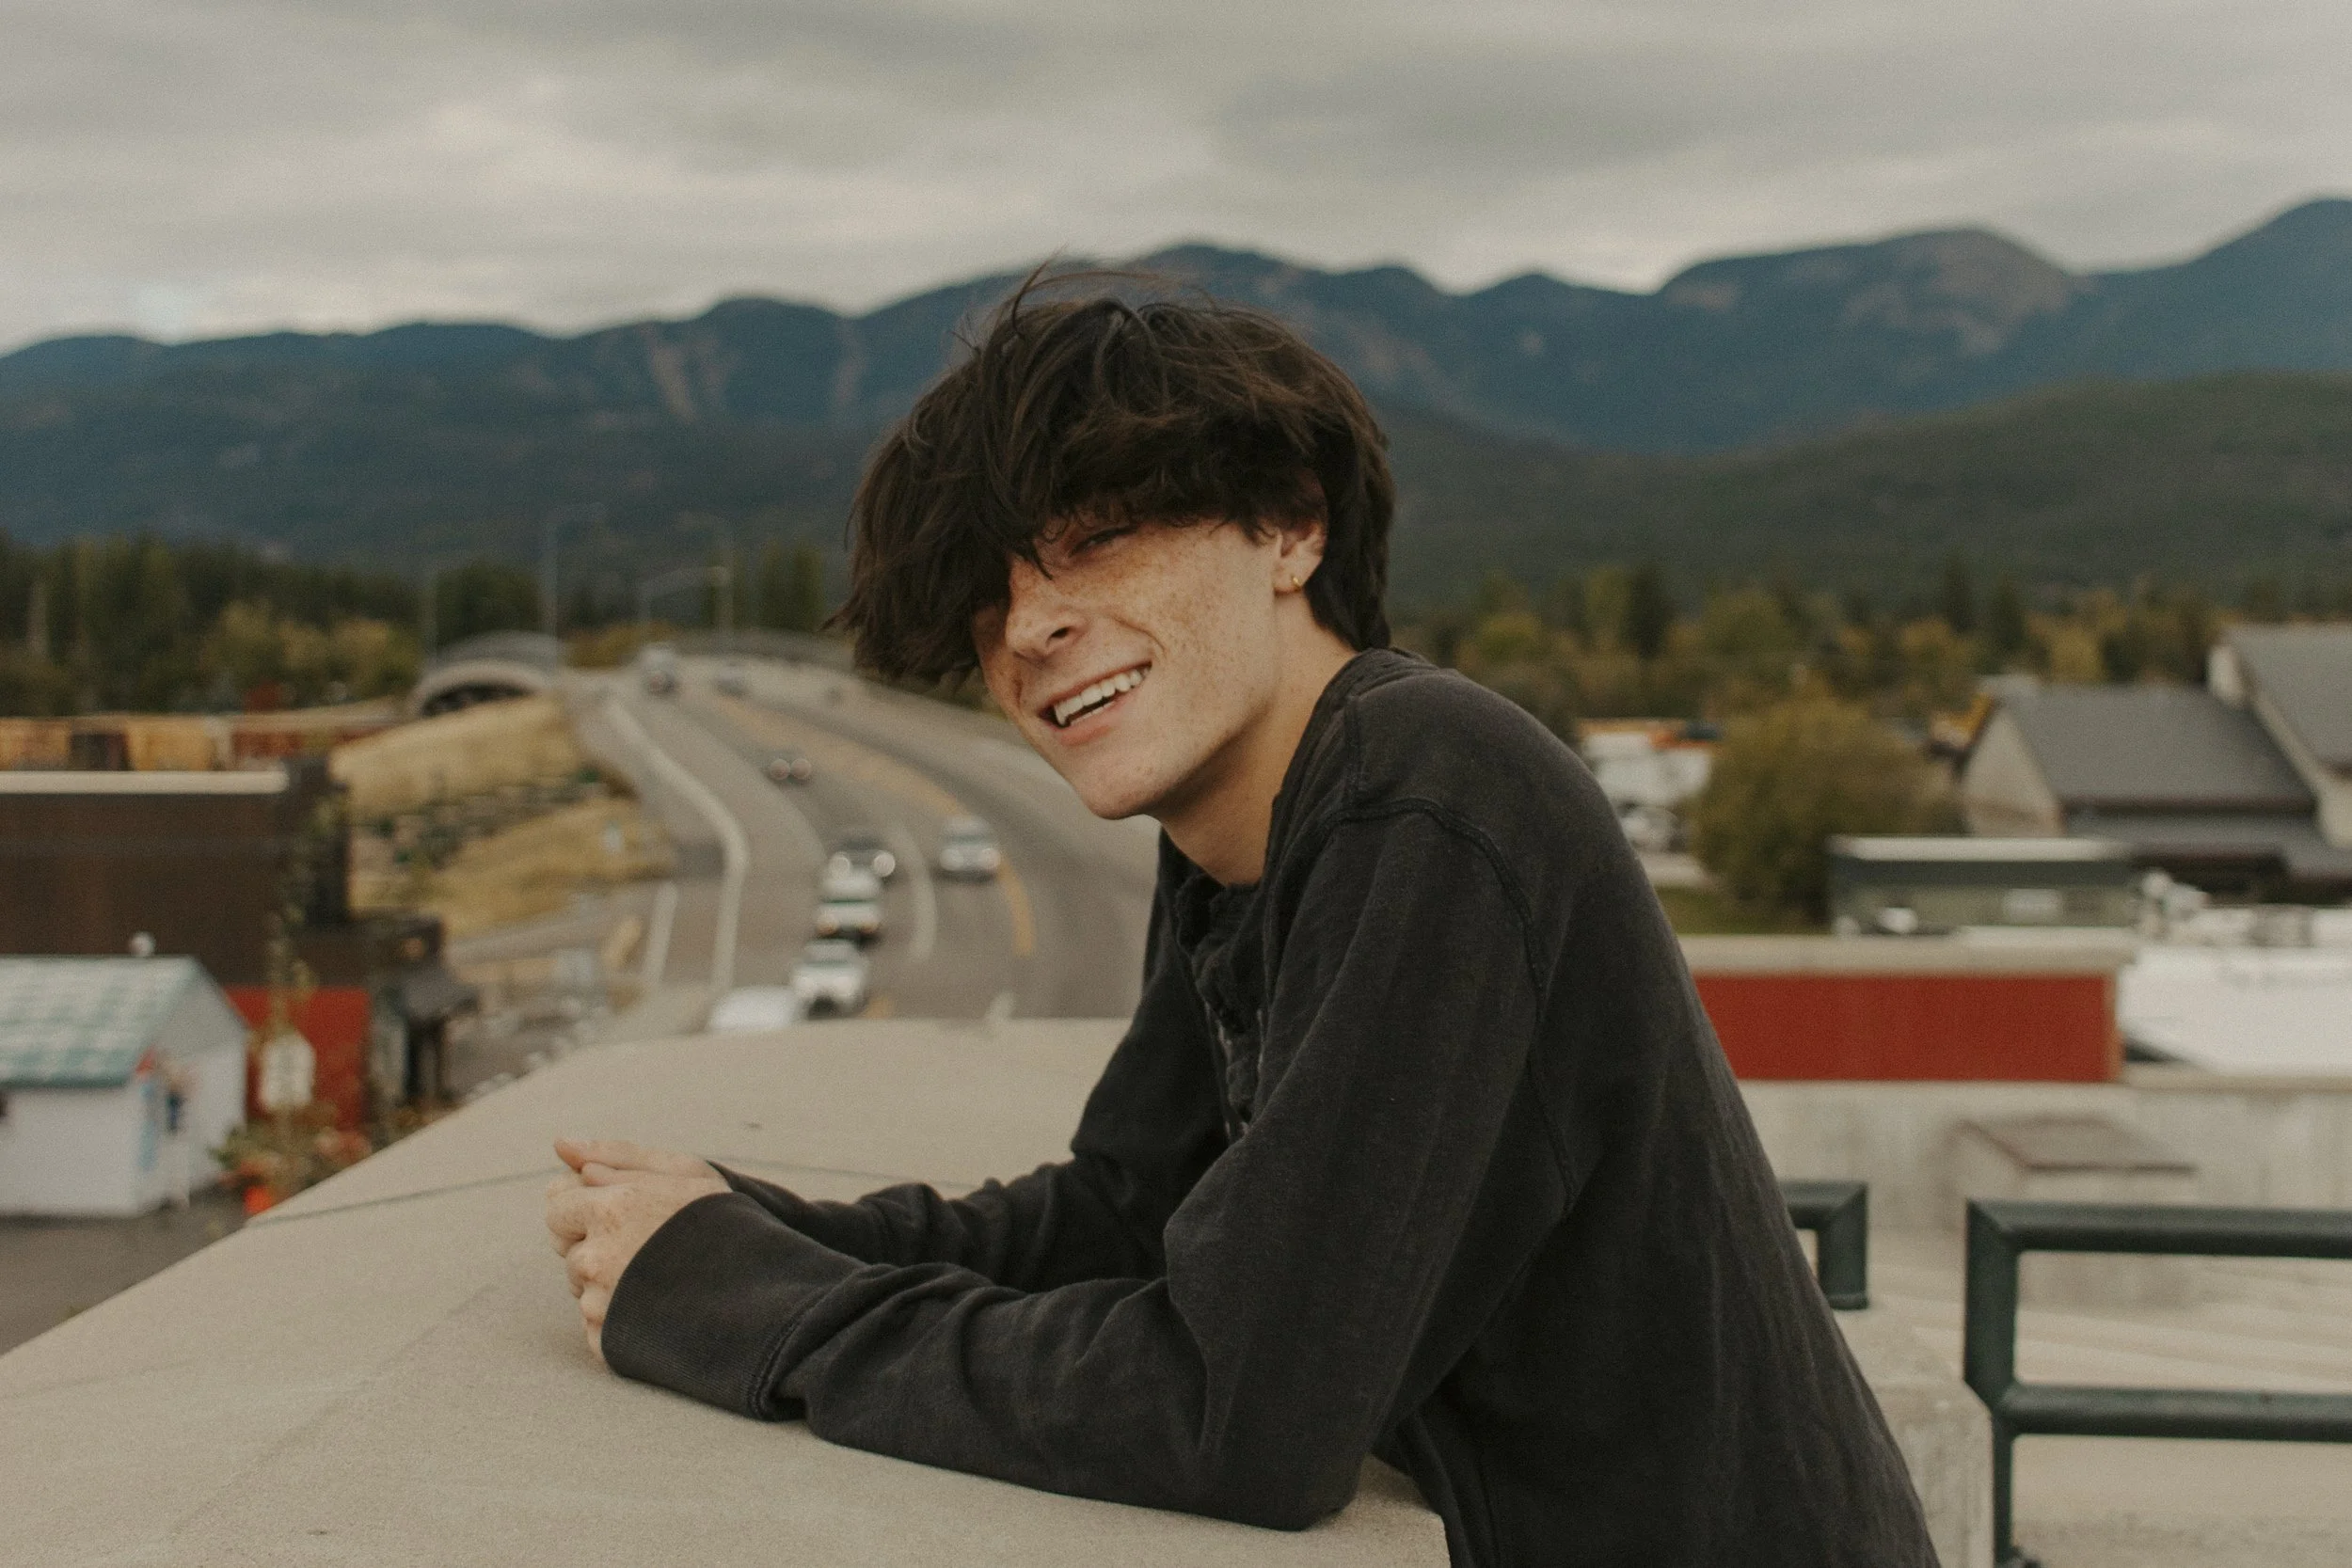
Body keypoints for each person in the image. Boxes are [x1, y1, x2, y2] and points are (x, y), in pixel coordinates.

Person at [545, 283, 1939, 1567]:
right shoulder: (1245, 842)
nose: (1031, 625)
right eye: (995, 590)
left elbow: (1241, 1408)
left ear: (1291, 525)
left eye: (1098, 539)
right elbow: (1125, 1214)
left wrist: (757, 1312)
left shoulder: (1430, 795)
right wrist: (760, 1231)